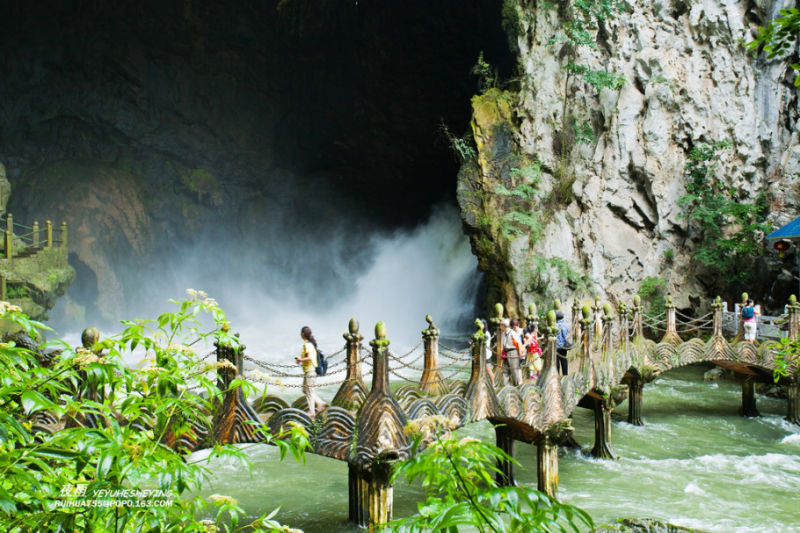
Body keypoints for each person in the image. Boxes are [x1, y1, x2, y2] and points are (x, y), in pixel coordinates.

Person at [295, 326, 327, 417]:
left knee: (309, 391)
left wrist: (300, 360)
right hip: (310, 371)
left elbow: (310, 358)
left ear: (302, 334)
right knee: (305, 390)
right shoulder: (310, 344)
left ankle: (311, 412)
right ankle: (319, 402)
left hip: (310, 371)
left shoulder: (307, 345)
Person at [555, 311, 570, 375]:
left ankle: (557, 375)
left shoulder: (554, 325)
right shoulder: (566, 325)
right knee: (564, 361)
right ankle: (565, 375)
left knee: (556, 362)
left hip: (556, 346)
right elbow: (566, 334)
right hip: (563, 345)